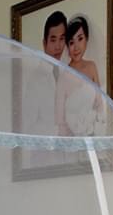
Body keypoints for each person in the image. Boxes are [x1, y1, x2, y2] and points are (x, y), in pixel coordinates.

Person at [55, 15, 103, 137]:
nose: (76, 47)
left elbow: (99, 105)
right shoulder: (64, 77)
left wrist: (97, 128)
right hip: (72, 140)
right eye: (71, 42)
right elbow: (60, 120)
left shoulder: (92, 67)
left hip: (93, 136)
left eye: (80, 39)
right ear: (67, 46)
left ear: (87, 39)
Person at [23, 10, 68, 138]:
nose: (58, 46)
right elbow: (28, 127)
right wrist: (57, 131)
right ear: (44, 43)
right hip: (45, 149)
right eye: (53, 40)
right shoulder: (35, 79)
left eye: (62, 39)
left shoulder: (68, 73)